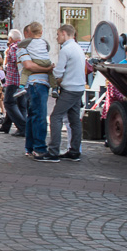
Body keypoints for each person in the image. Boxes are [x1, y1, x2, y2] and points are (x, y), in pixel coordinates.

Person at [44, 24, 86, 162]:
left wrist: (52, 69)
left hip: (70, 89)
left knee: (55, 117)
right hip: (78, 88)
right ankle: (74, 151)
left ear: (63, 33)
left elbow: (58, 72)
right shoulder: (78, 48)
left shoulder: (66, 49)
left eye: (57, 34)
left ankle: (53, 151)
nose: (56, 37)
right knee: (74, 120)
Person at [17, 22, 56, 161]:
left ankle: (30, 147)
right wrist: (47, 69)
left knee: (33, 116)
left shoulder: (32, 46)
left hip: (34, 85)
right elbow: (28, 65)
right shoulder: (23, 48)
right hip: (37, 84)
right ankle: (39, 149)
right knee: (40, 116)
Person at [0, 28, 28, 136]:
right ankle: (6, 126)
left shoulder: (13, 48)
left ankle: (23, 127)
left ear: (10, 38)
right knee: (21, 104)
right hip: (23, 81)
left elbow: (11, 64)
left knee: (9, 103)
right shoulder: (24, 46)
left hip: (13, 80)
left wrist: (5, 57)